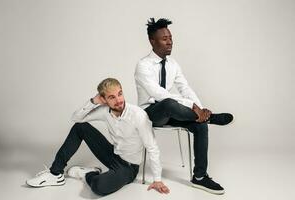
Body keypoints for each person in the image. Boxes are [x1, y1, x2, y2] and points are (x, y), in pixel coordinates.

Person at [134, 18, 234, 195]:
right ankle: (212, 118)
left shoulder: (173, 64)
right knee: (169, 102)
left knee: (200, 124)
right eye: (164, 38)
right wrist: (192, 106)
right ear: (152, 41)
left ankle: (200, 177)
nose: (170, 41)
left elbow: (185, 88)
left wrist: (200, 110)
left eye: (171, 37)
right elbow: (159, 94)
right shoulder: (143, 66)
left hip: (174, 111)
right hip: (150, 114)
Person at [26, 78, 169, 196]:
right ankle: (55, 173)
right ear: (104, 99)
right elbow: (76, 118)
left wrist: (157, 179)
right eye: (112, 97)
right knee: (80, 127)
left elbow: (152, 147)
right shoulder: (104, 111)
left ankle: (88, 174)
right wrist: (92, 102)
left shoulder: (138, 115)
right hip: (113, 154)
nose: (119, 100)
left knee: (99, 187)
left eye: (120, 94)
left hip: (128, 168)